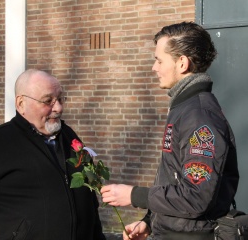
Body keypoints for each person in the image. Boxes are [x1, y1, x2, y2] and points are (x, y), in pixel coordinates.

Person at [100, 21, 239, 240]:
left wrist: (134, 195)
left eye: (159, 60)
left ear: (182, 63)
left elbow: (196, 196)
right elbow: (173, 179)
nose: (154, 67)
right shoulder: (185, 108)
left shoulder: (199, 116)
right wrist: (149, 222)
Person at [0, 69, 106, 240]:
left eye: (60, 99)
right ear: (21, 103)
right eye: (48, 101)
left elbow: (89, 204)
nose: (58, 108)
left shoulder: (70, 138)